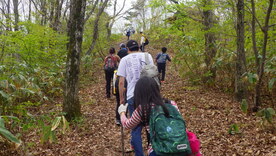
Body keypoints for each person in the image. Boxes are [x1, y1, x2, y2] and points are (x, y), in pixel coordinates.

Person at [118, 77, 201, 156]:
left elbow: (127, 125)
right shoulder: (171, 103)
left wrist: (122, 112)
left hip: (158, 150)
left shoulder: (142, 109)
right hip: (180, 146)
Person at [117, 40, 155, 156]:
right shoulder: (147, 56)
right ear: (138, 47)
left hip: (132, 95)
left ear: (128, 49)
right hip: (149, 94)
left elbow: (121, 82)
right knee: (151, 124)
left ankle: (139, 154)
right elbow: (153, 75)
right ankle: (153, 151)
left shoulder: (124, 59)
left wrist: (121, 99)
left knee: (135, 128)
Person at [115, 43, 128, 125]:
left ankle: (118, 119)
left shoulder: (119, 52)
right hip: (125, 83)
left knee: (119, 102)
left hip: (119, 81)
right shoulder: (127, 57)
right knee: (126, 100)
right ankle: (124, 118)